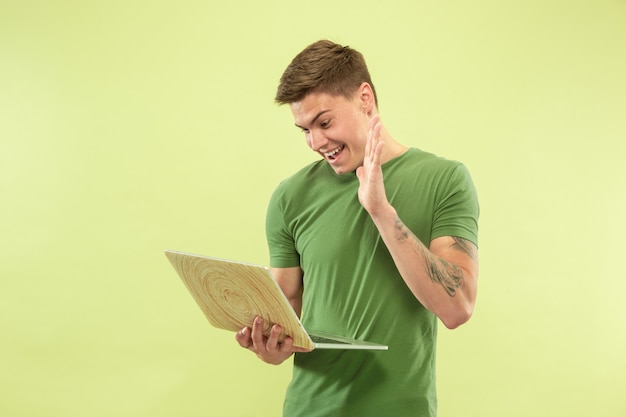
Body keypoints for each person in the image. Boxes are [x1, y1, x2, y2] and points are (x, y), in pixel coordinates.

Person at [235, 39, 479, 417]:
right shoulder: (290, 197)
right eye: (304, 129)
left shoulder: (444, 179)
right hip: (309, 409)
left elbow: (457, 307)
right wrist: (269, 346)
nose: (316, 142)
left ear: (365, 98)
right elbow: (286, 318)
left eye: (325, 122)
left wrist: (381, 211)